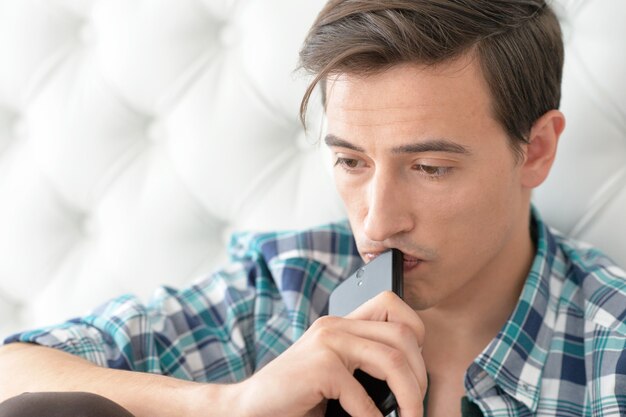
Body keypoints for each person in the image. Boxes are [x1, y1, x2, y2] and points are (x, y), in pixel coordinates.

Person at [0, 1, 625, 416]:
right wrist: (233, 404)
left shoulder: (611, 353)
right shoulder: (285, 288)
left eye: (430, 168)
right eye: (352, 162)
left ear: (536, 150)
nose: (377, 224)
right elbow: (13, 371)